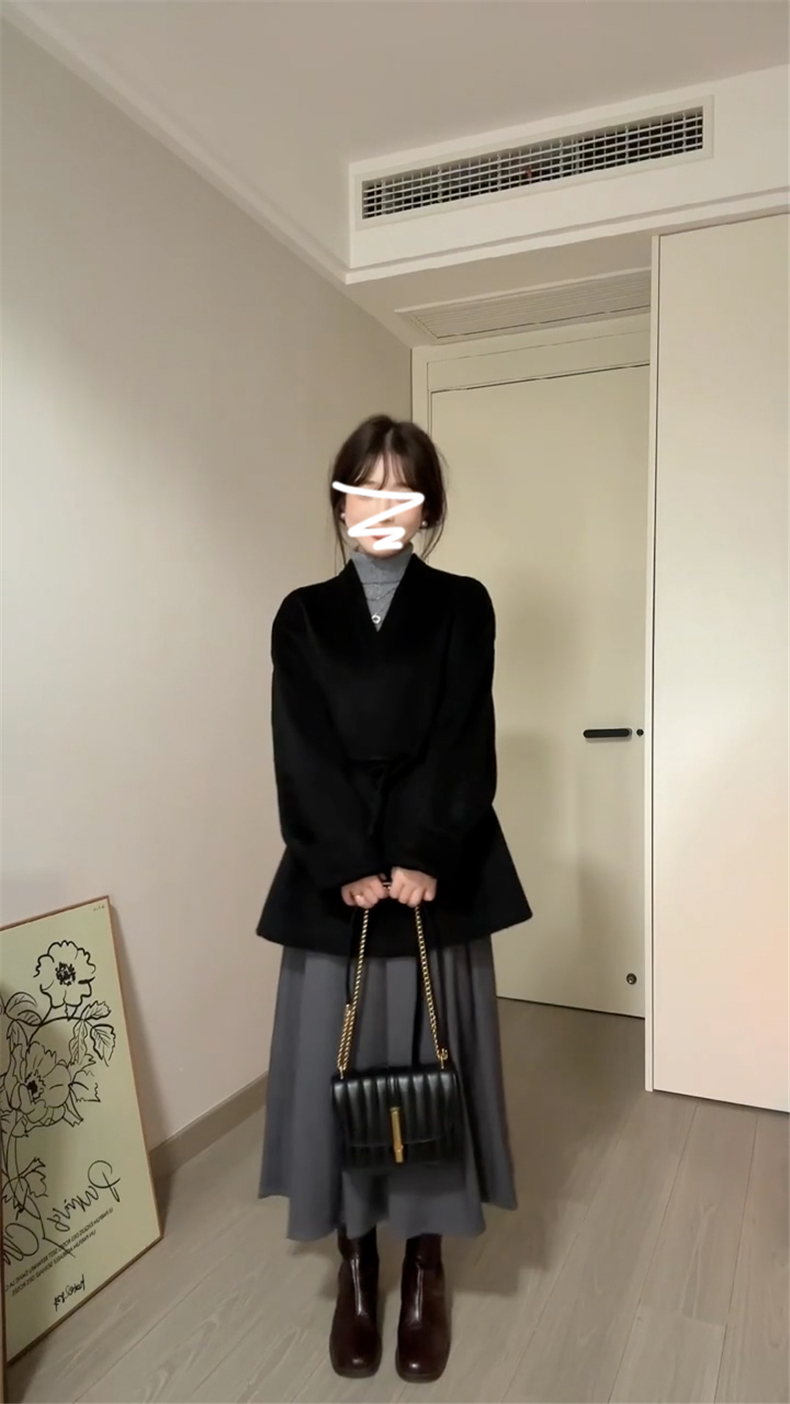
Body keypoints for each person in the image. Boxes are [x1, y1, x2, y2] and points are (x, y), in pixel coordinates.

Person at [256, 414, 532, 1383]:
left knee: (430, 1068)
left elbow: (464, 733)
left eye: (401, 491)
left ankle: (423, 1268)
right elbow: (299, 747)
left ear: (427, 510)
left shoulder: (462, 604)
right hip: (332, 874)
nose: (382, 506)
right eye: (363, 488)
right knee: (336, 1072)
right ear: (340, 505)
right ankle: (355, 1266)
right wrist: (344, 857)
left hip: (435, 871)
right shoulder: (300, 615)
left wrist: (421, 851)